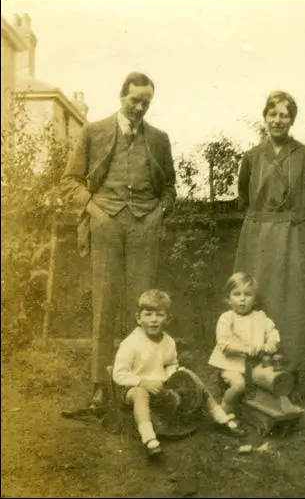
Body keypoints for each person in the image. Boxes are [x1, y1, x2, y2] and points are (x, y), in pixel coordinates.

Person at [61, 72, 177, 412]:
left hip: (144, 226)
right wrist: (94, 210)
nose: (139, 107)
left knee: (141, 304)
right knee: (105, 303)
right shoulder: (93, 131)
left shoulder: (159, 139)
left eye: (146, 102)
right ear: (121, 96)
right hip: (106, 223)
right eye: (134, 100)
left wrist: (158, 214)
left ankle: (134, 383)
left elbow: (169, 188)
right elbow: (70, 180)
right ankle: (100, 386)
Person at [234, 91, 305, 396]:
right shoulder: (252, 157)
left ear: (292, 120)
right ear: (265, 118)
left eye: (283, 115)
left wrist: (294, 225)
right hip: (258, 239)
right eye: (272, 114)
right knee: (255, 300)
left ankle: (291, 373)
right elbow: (244, 199)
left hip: (293, 240)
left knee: (292, 304)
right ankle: (256, 371)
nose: (277, 120)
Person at [113, 289, 245, 458]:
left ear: (167, 318)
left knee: (190, 375)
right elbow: (119, 374)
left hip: (161, 386)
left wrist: (174, 374)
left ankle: (220, 416)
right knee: (140, 394)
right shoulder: (131, 343)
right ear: (139, 318)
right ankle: (149, 438)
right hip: (133, 387)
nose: (153, 320)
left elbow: (170, 364)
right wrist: (143, 382)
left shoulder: (168, 341)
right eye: (148, 314)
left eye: (159, 315)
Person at [208, 273, 280, 415]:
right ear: (228, 299)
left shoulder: (260, 316)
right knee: (239, 385)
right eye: (236, 294)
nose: (242, 299)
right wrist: (245, 349)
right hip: (231, 365)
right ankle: (224, 410)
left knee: (269, 379)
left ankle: (264, 409)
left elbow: (272, 333)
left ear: (254, 299)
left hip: (253, 365)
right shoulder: (227, 318)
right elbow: (224, 342)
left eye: (247, 294)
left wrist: (270, 344)